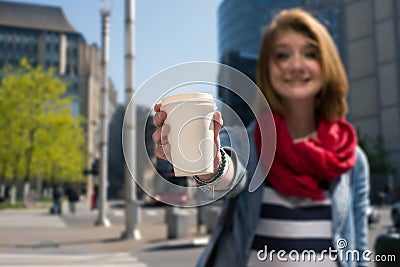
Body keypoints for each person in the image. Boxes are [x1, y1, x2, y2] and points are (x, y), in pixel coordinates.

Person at [153, 8, 370, 267]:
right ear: (267, 69)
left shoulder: (353, 161)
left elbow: (359, 251)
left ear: (327, 65)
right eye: (282, 55)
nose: (296, 64)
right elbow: (231, 173)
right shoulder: (250, 142)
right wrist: (209, 163)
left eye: (310, 53)